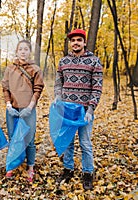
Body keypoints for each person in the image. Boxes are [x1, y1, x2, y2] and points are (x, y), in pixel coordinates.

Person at [54, 29, 103, 190]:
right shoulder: (63, 61)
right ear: (70, 43)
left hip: (84, 111)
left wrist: (91, 109)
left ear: (84, 42)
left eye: (79, 40)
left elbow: (97, 88)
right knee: (68, 142)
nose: (75, 42)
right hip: (67, 110)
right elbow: (58, 83)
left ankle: (88, 172)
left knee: (85, 143)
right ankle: (68, 169)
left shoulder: (94, 62)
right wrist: (57, 97)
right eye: (73, 40)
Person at [1, 40, 44, 182]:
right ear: (17, 51)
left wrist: (30, 107)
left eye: (26, 49)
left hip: (28, 110)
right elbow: (5, 88)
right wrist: (8, 105)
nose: (23, 51)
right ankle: (12, 165)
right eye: (20, 49)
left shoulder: (35, 69)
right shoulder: (9, 69)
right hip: (12, 109)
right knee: (13, 138)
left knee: (29, 140)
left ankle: (30, 167)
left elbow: (38, 89)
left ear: (29, 51)